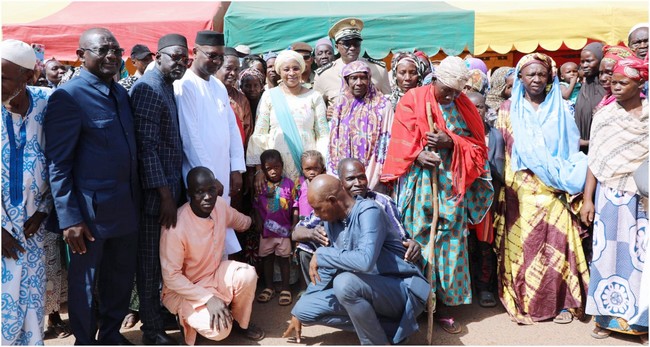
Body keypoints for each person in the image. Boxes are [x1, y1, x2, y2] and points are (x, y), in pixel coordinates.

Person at [382, 56, 493, 334]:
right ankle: (415, 302)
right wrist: (418, 154)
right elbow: (398, 140)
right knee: (417, 240)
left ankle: (442, 307)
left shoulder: (464, 106)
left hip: (453, 188)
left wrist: (451, 142)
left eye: (457, 91)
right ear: (435, 81)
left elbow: (479, 150)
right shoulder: (412, 100)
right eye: (447, 90)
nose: (452, 96)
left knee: (449, 245)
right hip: (420, 187)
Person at [44, 28, 140, 345]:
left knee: (119, 278)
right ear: (81, 55)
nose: (111, 55)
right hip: (89, 214)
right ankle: (84, 340)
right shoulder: (68, 96)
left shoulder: (120, 94)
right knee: (85, 282)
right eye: (102, 50)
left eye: (116, 49)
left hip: (124, 208)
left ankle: (111, 334)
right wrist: (70, 218)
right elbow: (58, 164)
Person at [494, 52, 589, 325]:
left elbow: (571, 150)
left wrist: (566, 181)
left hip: (554, 188)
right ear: (520, 78)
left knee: (558, 243)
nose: (536, 79)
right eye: (530, 74)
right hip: (519, 189)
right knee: (524, 246)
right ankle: (526, 301)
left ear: (550, 77)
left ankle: (562, 304)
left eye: (541, 74)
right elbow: (501, 152)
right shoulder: (506, 109)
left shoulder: (560, 107)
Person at [283, 175, 427, 345]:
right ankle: (394, 329)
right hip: (370, 290)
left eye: (318, 209)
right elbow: (329, 269)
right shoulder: (331, 221)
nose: (316, 214)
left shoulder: (369, 211)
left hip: (403, 289)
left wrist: (322, 254)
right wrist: (298, 311)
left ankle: (375, 343)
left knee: (344, 283)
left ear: (332, 200)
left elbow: (365, 261)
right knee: (303, 309)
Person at [580, 56, 648, 342]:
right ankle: (606, 319)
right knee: (607, 258)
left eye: (623, 82)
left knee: (640, 259)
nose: (615, 86)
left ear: (640, 83)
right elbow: (595, 159)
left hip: (643, 198)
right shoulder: (605, 115)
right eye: (614, 82)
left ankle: (640, 321)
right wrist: (588, 199)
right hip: (610, 196)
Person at [129, 33, 189, 345]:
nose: (180, 62)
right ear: (158, 55)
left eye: (184, 58)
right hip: (155, 197)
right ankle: (151, 330)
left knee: (165, 262)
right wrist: (165, 194)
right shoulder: (148, 88)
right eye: (175, 56)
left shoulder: (166, 84)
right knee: (150, 265)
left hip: (168, 191)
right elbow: (146, 148)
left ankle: (159, 315)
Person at [160, 167, 264, 345]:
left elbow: (241, 221)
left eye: (211, 190)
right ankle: (186, 317)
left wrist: (255, 220)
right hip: (183, 291)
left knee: (247, 274)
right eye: (200, 192)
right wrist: (207, 298)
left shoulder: (220, 206)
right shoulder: (176, 227)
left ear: (217, 189)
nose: (207, 196)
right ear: (190, 193)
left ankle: (240, 322)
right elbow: (171, 277)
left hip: (214, 276)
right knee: (220, 330)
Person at [292, 158, 421, 286]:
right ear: (340, 183)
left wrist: (412, 244)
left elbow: (401, 238)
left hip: (374, 263)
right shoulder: (330, 204)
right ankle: (318, 289)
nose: (358, 183)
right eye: (350, 179)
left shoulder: (381, 202)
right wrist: (313, 233)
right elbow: (295, 233)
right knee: (304, 249)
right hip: (343, 261)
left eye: (361, 177)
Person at [174, 30, 244, 258]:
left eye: (220, 57)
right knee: (202, 229)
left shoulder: (218, 85)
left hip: (222, 170)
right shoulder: (185, 84)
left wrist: (236, 168)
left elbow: (232, 128)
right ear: (195, 52)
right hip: (201, 177)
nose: (216, 62)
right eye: (212, 55)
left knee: (221, 225)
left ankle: (221, 279)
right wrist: (209, 177)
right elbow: (189, 135)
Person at [1, 39, 52, 346]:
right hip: (3, 228)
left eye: (5, 76)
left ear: (28, 77)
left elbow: (58, 159)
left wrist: (45, 209)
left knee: (32, 300)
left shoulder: (48, 103)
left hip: (34, 224)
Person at [247, 49, 329, 189]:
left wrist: (320, 168)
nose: (291, 73)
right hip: (275, 169)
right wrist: (260, 170)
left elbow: (323, 135)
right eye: (286, 69)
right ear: (280, 71)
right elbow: (260, 134)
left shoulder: (314, 97)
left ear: (301, 70)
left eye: (295, 68)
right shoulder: (269, 96)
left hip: (307, 169)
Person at [327, 61, 394, 189]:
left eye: (363, 78)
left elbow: (387, 141)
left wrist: (374, 175)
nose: (359, 82)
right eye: (353, 78)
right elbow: (332, 141)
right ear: (346, 81)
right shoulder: (340, 105)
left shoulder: (383, 105)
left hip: (373, 174)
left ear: (369, 79)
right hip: (344, 177)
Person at [313, 17, 391, 108]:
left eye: (356, 43)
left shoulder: (378, 70)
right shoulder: (324, 75)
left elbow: (388, 102)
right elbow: (316, 108)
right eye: (347, 44)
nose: (352, 48)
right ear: (336, 46)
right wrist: (325, 113)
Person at [252, 150, 297, 306]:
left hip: (284, 231)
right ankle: (269, 287)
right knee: (267, 259)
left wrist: (294, 223)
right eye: (268, 168)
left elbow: (295, 206)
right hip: (266, 232)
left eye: (277, 167)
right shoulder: (261, 186)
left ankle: (286, 288)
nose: (273, 171)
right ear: (263, 170)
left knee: (285, 260)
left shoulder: (289, 184)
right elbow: (256, 206)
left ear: (282, 166)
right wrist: (258, 222)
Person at [216, 47, 252, 147]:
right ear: (217, 67)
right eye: (228, 68)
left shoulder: (242, 100)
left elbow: (248, 132)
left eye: (236, 70)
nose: (233, 73)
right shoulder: (207, 94)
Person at [575, 42, 606, 153]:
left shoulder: (607, 88)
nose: (584, 65)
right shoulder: (585, 86)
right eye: (582, 61)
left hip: (601, 148)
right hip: (581, 149)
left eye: (589, 61)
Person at [595, 45, 635, 112]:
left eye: (610, 73)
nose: (602, 78)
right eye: (601, 73)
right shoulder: (608, 96)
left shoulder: (632, 100)